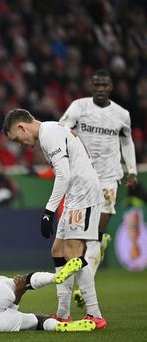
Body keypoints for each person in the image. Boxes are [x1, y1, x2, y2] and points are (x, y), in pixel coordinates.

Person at [3, 108, 107, 329]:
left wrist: (49, 211)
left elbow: (64, 174)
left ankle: (95, 313)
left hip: (83, 196)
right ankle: (63, 312)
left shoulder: (49, 133)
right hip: (75, 196)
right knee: (58, 251)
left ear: (22, 126)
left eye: (16, 138)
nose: (20, 144)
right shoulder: (50, 132)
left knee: (72, 253)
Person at [59, 69, 137, 307]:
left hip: (108, 178)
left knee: (94, 233)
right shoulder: (78, 108)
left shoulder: (121, 114)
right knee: (82, 235)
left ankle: (86, 285)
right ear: (91, 86)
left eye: (105, 85)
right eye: (97, 84)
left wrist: (132, 170)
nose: (101, 89)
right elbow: (62, 127)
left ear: (111, 87)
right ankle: (97, 248)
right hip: (82, 176)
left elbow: (127, 141)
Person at [0, 258, 96, 333]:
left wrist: (19, 293)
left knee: (39, 320)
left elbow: (9, 309)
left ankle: (60, 326)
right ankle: (55, 278)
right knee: (21, 280)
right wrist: (19, 288)